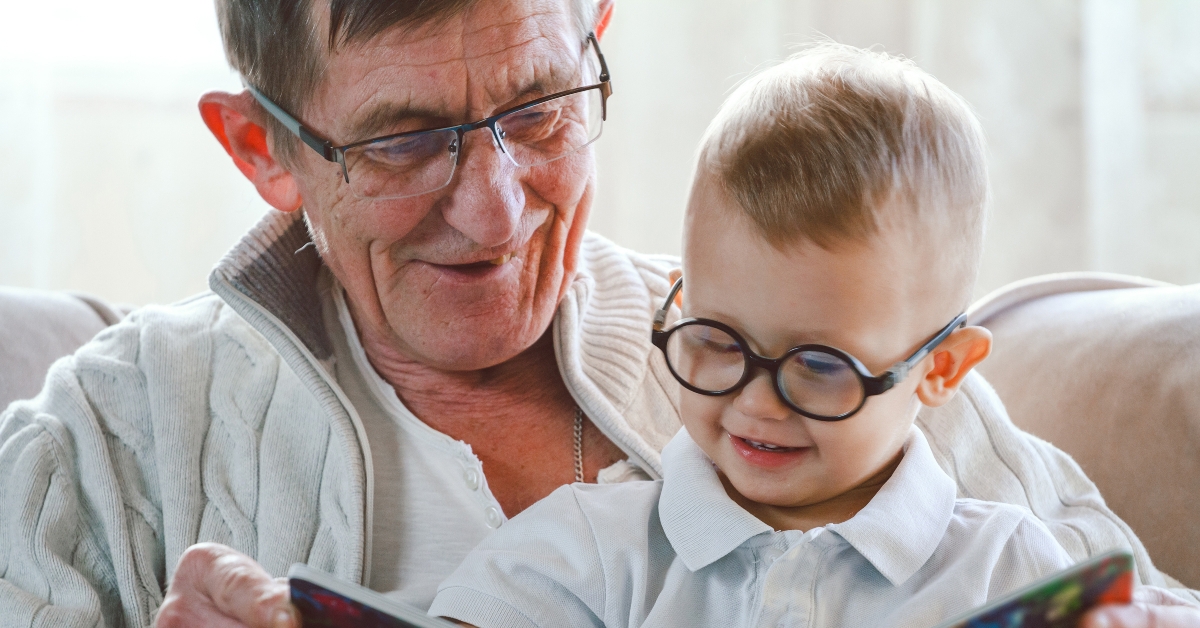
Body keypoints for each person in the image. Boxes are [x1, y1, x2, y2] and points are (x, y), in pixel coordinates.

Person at [0, 1, 1194, 628]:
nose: (494, 210)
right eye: (409, 138)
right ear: (262, 147)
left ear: (596, 39)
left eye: (540, 109)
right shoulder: (107, 442)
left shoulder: (827, 350)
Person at [426, 42, 1076, 627]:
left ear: (940, 369)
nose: (757, 404)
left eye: (819, 365)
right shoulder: (582, 553)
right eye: (719, 341)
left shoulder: (1013, 573)